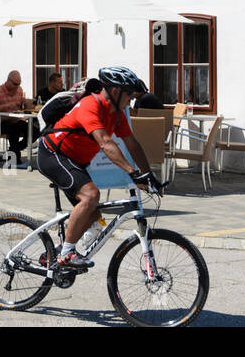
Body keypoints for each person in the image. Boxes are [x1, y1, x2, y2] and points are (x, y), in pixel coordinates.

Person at [36, 66, 157, 271]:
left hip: (75, 161)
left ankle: (55, 253)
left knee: (92, 216)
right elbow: (106, 143)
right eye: (129, 95)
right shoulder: (90, 105)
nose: (132, 100)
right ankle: (67, 254)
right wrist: (132, 172)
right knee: (91, 195)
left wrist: (149, 175)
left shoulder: (116, 114)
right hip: (53, 154)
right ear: (116, 91)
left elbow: (132, 144)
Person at [0, 70, 33, 168]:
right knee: (13, 129)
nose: (17, 86)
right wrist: (6, 106)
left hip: (14, 120)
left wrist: (26, 103)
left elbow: (23, 106)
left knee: (34, 129)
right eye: (15, 84)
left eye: (19, 84)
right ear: (8, 80)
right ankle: (15, 161)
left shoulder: (19, 90)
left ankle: (13, 150)